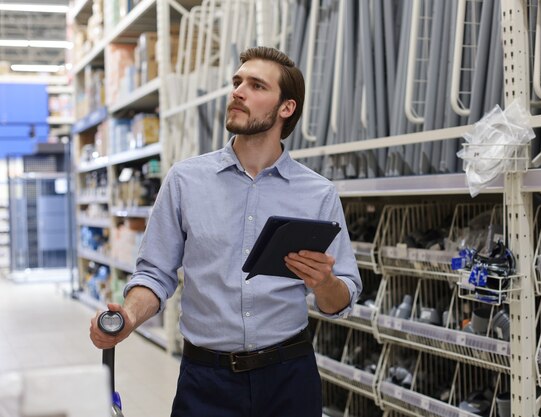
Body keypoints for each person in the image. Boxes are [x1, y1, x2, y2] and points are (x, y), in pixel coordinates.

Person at [89, 46, 362, 417]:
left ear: (286, 108)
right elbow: (154, 273)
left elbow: (339, 302)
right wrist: (130, 318)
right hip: (206, 381)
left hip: (289, 377)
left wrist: (324, 282)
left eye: (256, 85)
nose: (237, 91)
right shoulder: (186, 181)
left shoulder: (317, 193)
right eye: (236, 82)